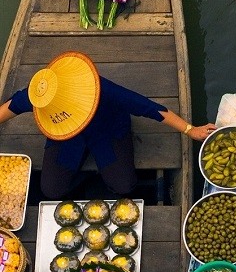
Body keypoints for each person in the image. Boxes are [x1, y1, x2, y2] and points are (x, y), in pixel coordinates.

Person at [0, 51, 215, 199]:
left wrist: (189, 129)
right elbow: (9, 109)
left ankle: (105, 172)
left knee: (124, 185)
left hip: (108, 132)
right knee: (51, 189)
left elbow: (150, 108)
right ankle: (86, 176)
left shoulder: (102, 90)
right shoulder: (40, 95)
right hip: (66, 137)